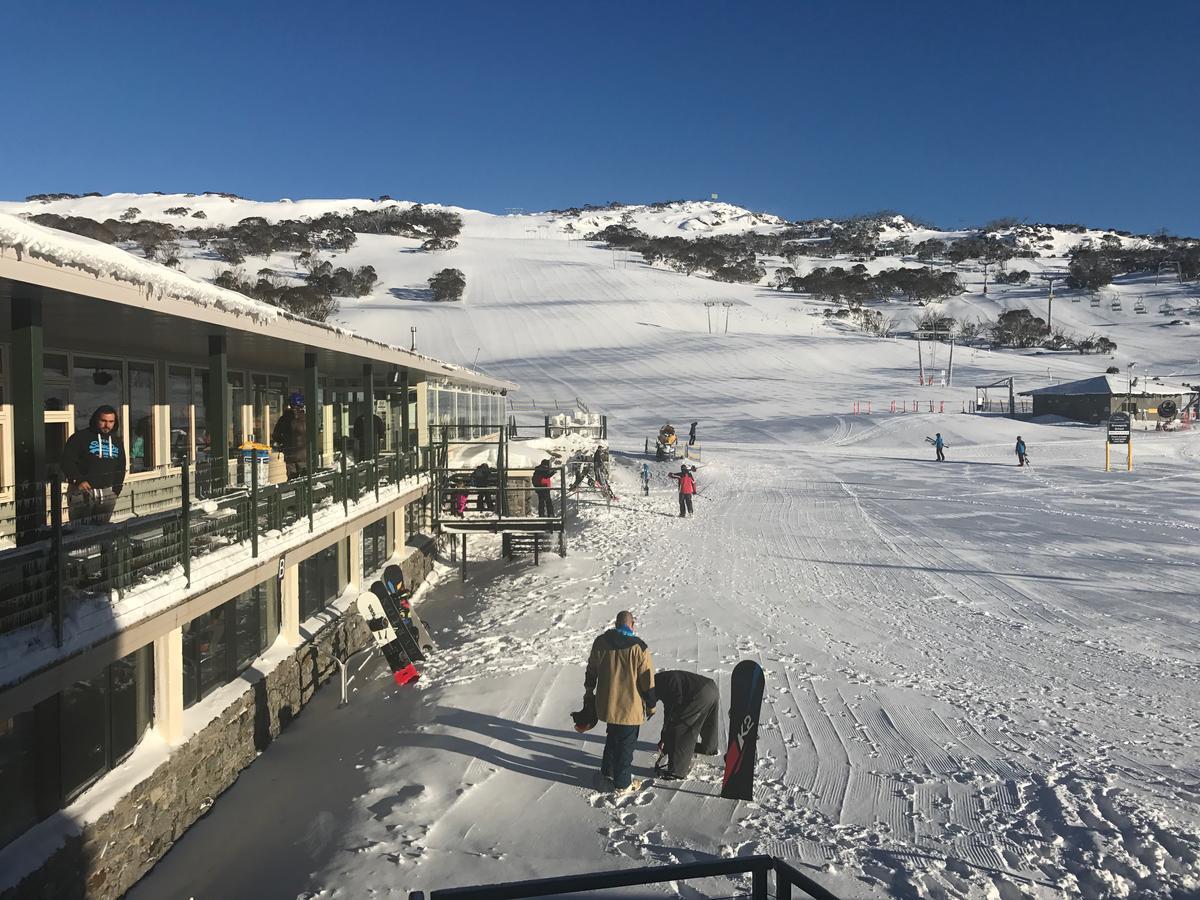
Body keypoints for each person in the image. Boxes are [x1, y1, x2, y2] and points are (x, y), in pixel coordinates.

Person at [584, 611, 656, 793]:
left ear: (616, 624)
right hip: (630, 709)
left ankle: (607, 771)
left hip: (608, 705)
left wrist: (589, 690)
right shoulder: (639, 648)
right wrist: (651, 704)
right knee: (625, 746)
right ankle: (623, 784)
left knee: (613, 737)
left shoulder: (600, 643)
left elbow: (591, 669)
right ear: (632, 625)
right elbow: (648, 681)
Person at [61, 405, 127, 524]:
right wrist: (78, 480)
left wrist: (116, 490)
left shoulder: (117, 441)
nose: (107, 425)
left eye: (111, 422)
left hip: (107, 492)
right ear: (96, 420)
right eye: (103, 421)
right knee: (80, 530)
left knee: (101, 530)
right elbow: (67, 461)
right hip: (82, 492)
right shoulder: (80, 437)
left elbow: (121, 466)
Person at [653, 670, 720, 780]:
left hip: (699, 694)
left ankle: (676, 772)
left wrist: (665, 735)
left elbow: (673, 709)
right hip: (712, 688)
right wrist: (664, 736)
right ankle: (709, 748)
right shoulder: (662, 678)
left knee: (682, 728)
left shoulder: (662, 684)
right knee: (709, 721)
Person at [272, 392, 308, 479]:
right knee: (306, 480)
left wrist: (283, 441)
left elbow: (276, 435)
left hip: (290, 454)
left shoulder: (285, 418)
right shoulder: (307, 418)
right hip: (305, 454)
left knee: (292, 481)